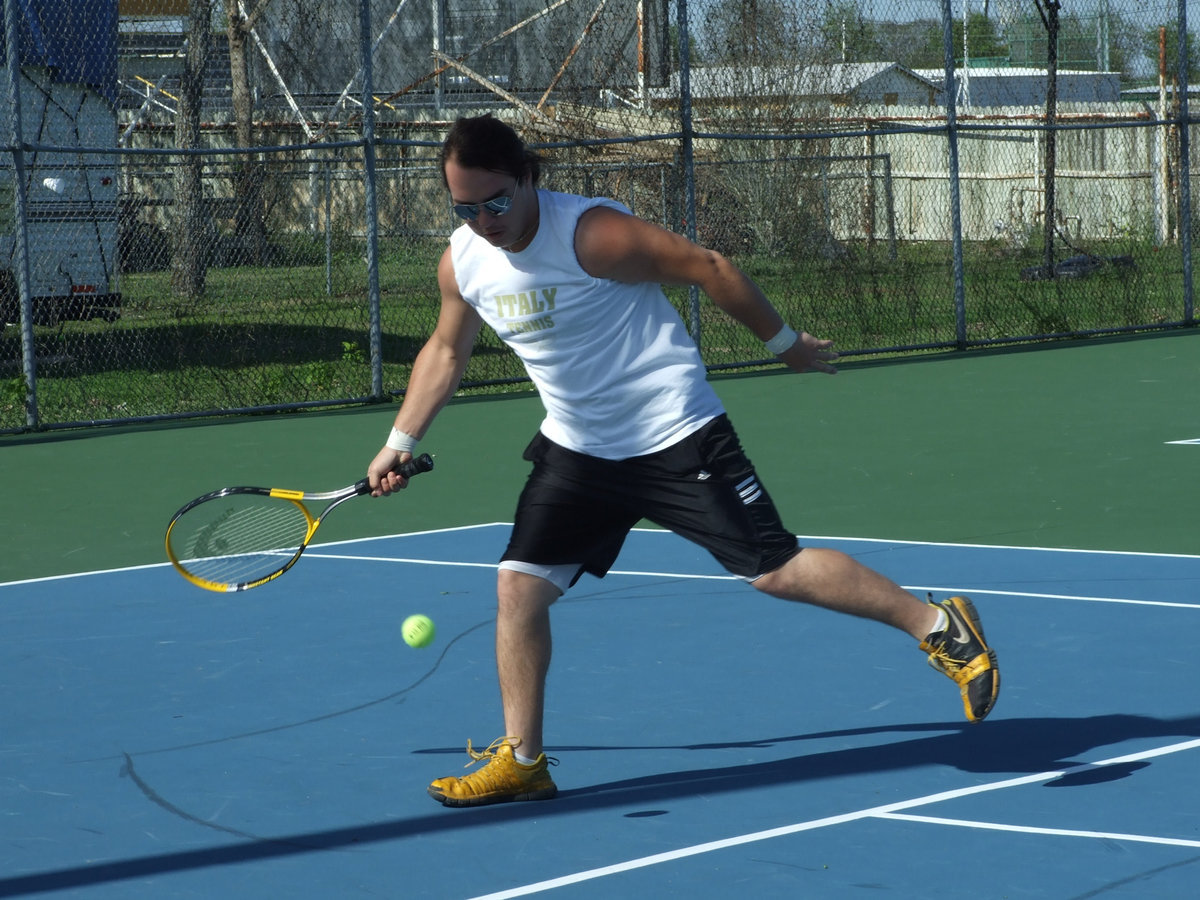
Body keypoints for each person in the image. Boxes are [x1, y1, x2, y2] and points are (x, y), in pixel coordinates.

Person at [367, 114, 999, 808]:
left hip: (676, 433)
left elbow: (708, 267)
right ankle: (523, 760)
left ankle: (941, 628)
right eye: (465, 207)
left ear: (526, 178)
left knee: (775, 572)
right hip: (580, 448)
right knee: (518, 589)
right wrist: (401, 441)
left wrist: (782, 342)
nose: (484, 220)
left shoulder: (592, 235)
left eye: (495, 202)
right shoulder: (463, 263)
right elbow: (447, 351)